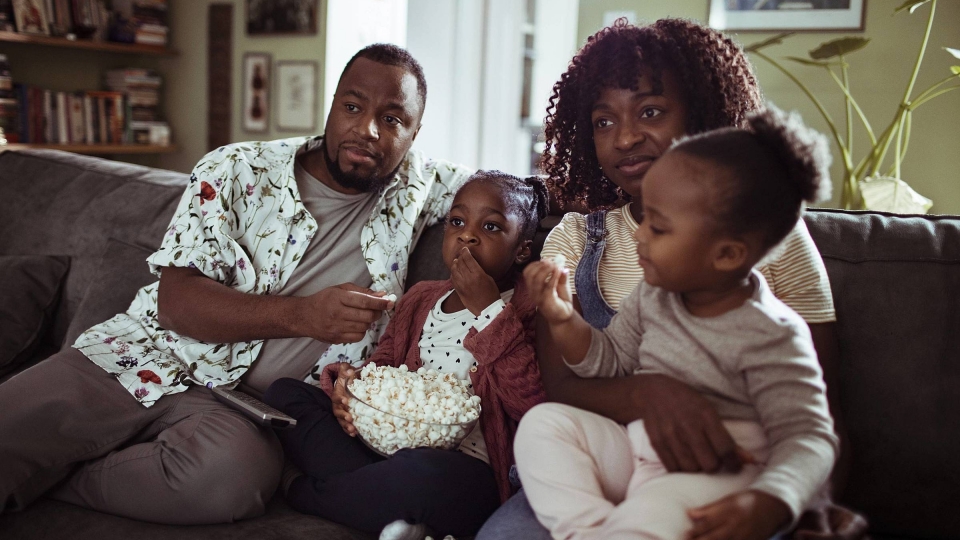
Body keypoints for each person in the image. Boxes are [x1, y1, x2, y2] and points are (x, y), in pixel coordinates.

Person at [0, 44, 476, 524]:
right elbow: (176, 302)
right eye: (352, 107)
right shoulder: (233, 169)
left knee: (228, 483)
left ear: (414, 135)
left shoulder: (422, 187)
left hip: (241, 411)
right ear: (331, 107)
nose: (367, 129)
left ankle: (54, 476)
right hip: (143, 353)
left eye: (393, 120)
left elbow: (516, 195)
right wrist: (303, 315)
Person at [476, 18, 865, 540]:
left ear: (702, 115)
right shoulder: (579, 240)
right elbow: (566, 384)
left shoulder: (769, 240)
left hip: (722, 469)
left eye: (651, 112)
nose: (627, 136)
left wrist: (796, 504)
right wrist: (636, 383)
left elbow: (818, 418)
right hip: (614, 458)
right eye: (603, 121)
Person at [519, 106, 838, 540]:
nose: (638, 235)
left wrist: (770, 500)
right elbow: (605, 360)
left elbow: (810, 437)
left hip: (713, 474)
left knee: (650, 515)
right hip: (640, 451)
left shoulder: (773, 334)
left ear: (726, 254)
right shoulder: (655, 296)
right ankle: (589, 530)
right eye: (645, 217)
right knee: (544, 425)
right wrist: (561, 318)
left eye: (660, 228)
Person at [262, 171, 549, 538]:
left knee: (421, 475)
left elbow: (532, 405)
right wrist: (350, 388)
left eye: (491, 227)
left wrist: (489, 310)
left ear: (522, 248)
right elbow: (383, 368)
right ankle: (394, 508)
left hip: (464, 470)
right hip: (382, 446)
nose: (467, 235)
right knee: (285, 395)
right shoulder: (421, 298)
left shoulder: (530, 309)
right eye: (457, 221)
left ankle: (301, 491)